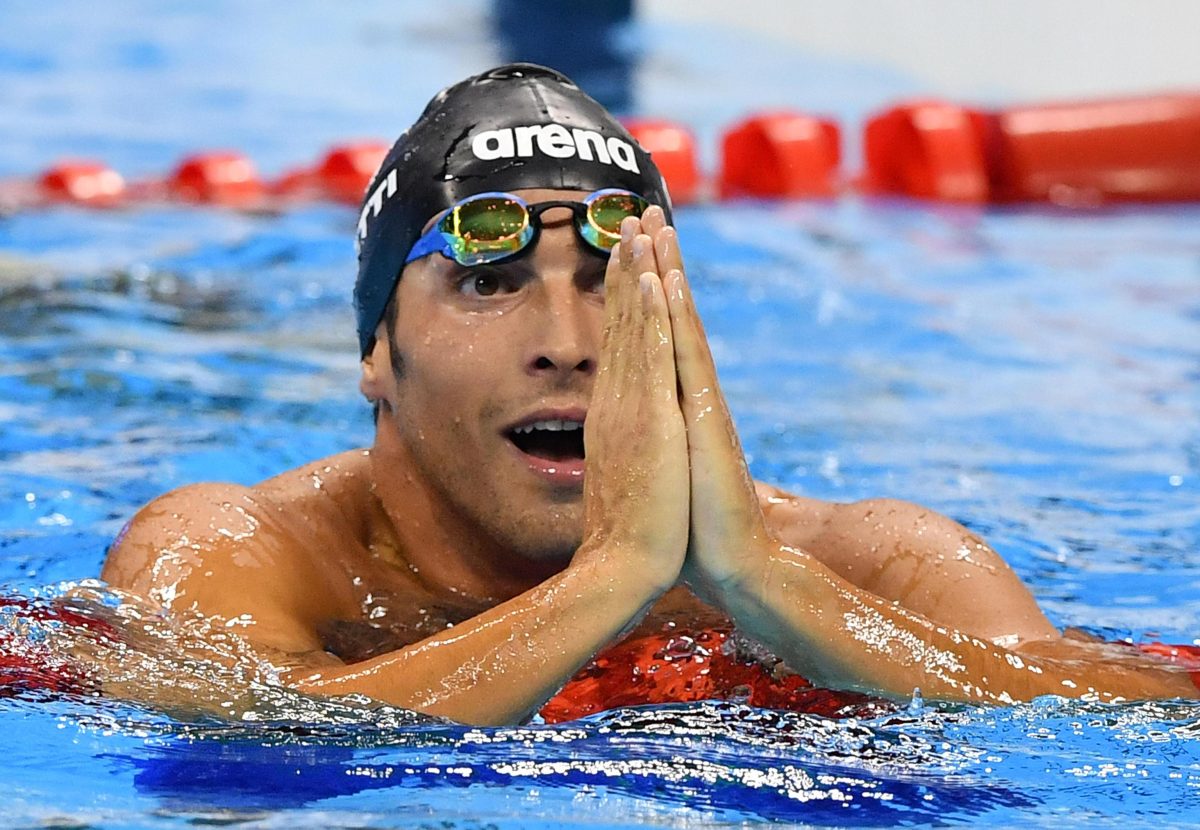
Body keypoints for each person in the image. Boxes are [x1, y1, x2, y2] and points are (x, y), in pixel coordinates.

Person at [100, 64, 1195, 726]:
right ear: (378, 351)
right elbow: (255, 731)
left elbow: (1141, 717)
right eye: (490, 281)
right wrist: (610, 581)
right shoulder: (238, 546)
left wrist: (768, 587)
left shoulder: (866, 559)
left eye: (611, 283)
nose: (569, 344)